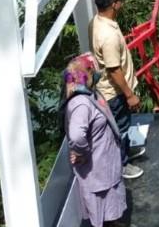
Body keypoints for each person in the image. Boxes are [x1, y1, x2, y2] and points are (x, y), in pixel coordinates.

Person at [61, 53, 127, 227]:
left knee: (109, 203)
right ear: (87, 73)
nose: (98, 74)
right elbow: (76, 135)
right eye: (94, 70)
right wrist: (82, 152)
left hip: (104, 164)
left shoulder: (88, 93)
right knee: (100, 204)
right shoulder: (81, 103)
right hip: (96, 166)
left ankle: (112, 223)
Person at [89, 0, 145, 180]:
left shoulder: (97, 21)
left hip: (108, 90)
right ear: (114, 4)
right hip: (115, 93)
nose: (122, 1)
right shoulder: (109, 35)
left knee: (123, 125)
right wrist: (129, 95)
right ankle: (121, 165)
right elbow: (114, 70)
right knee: (119, 129)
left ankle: (126, 152)